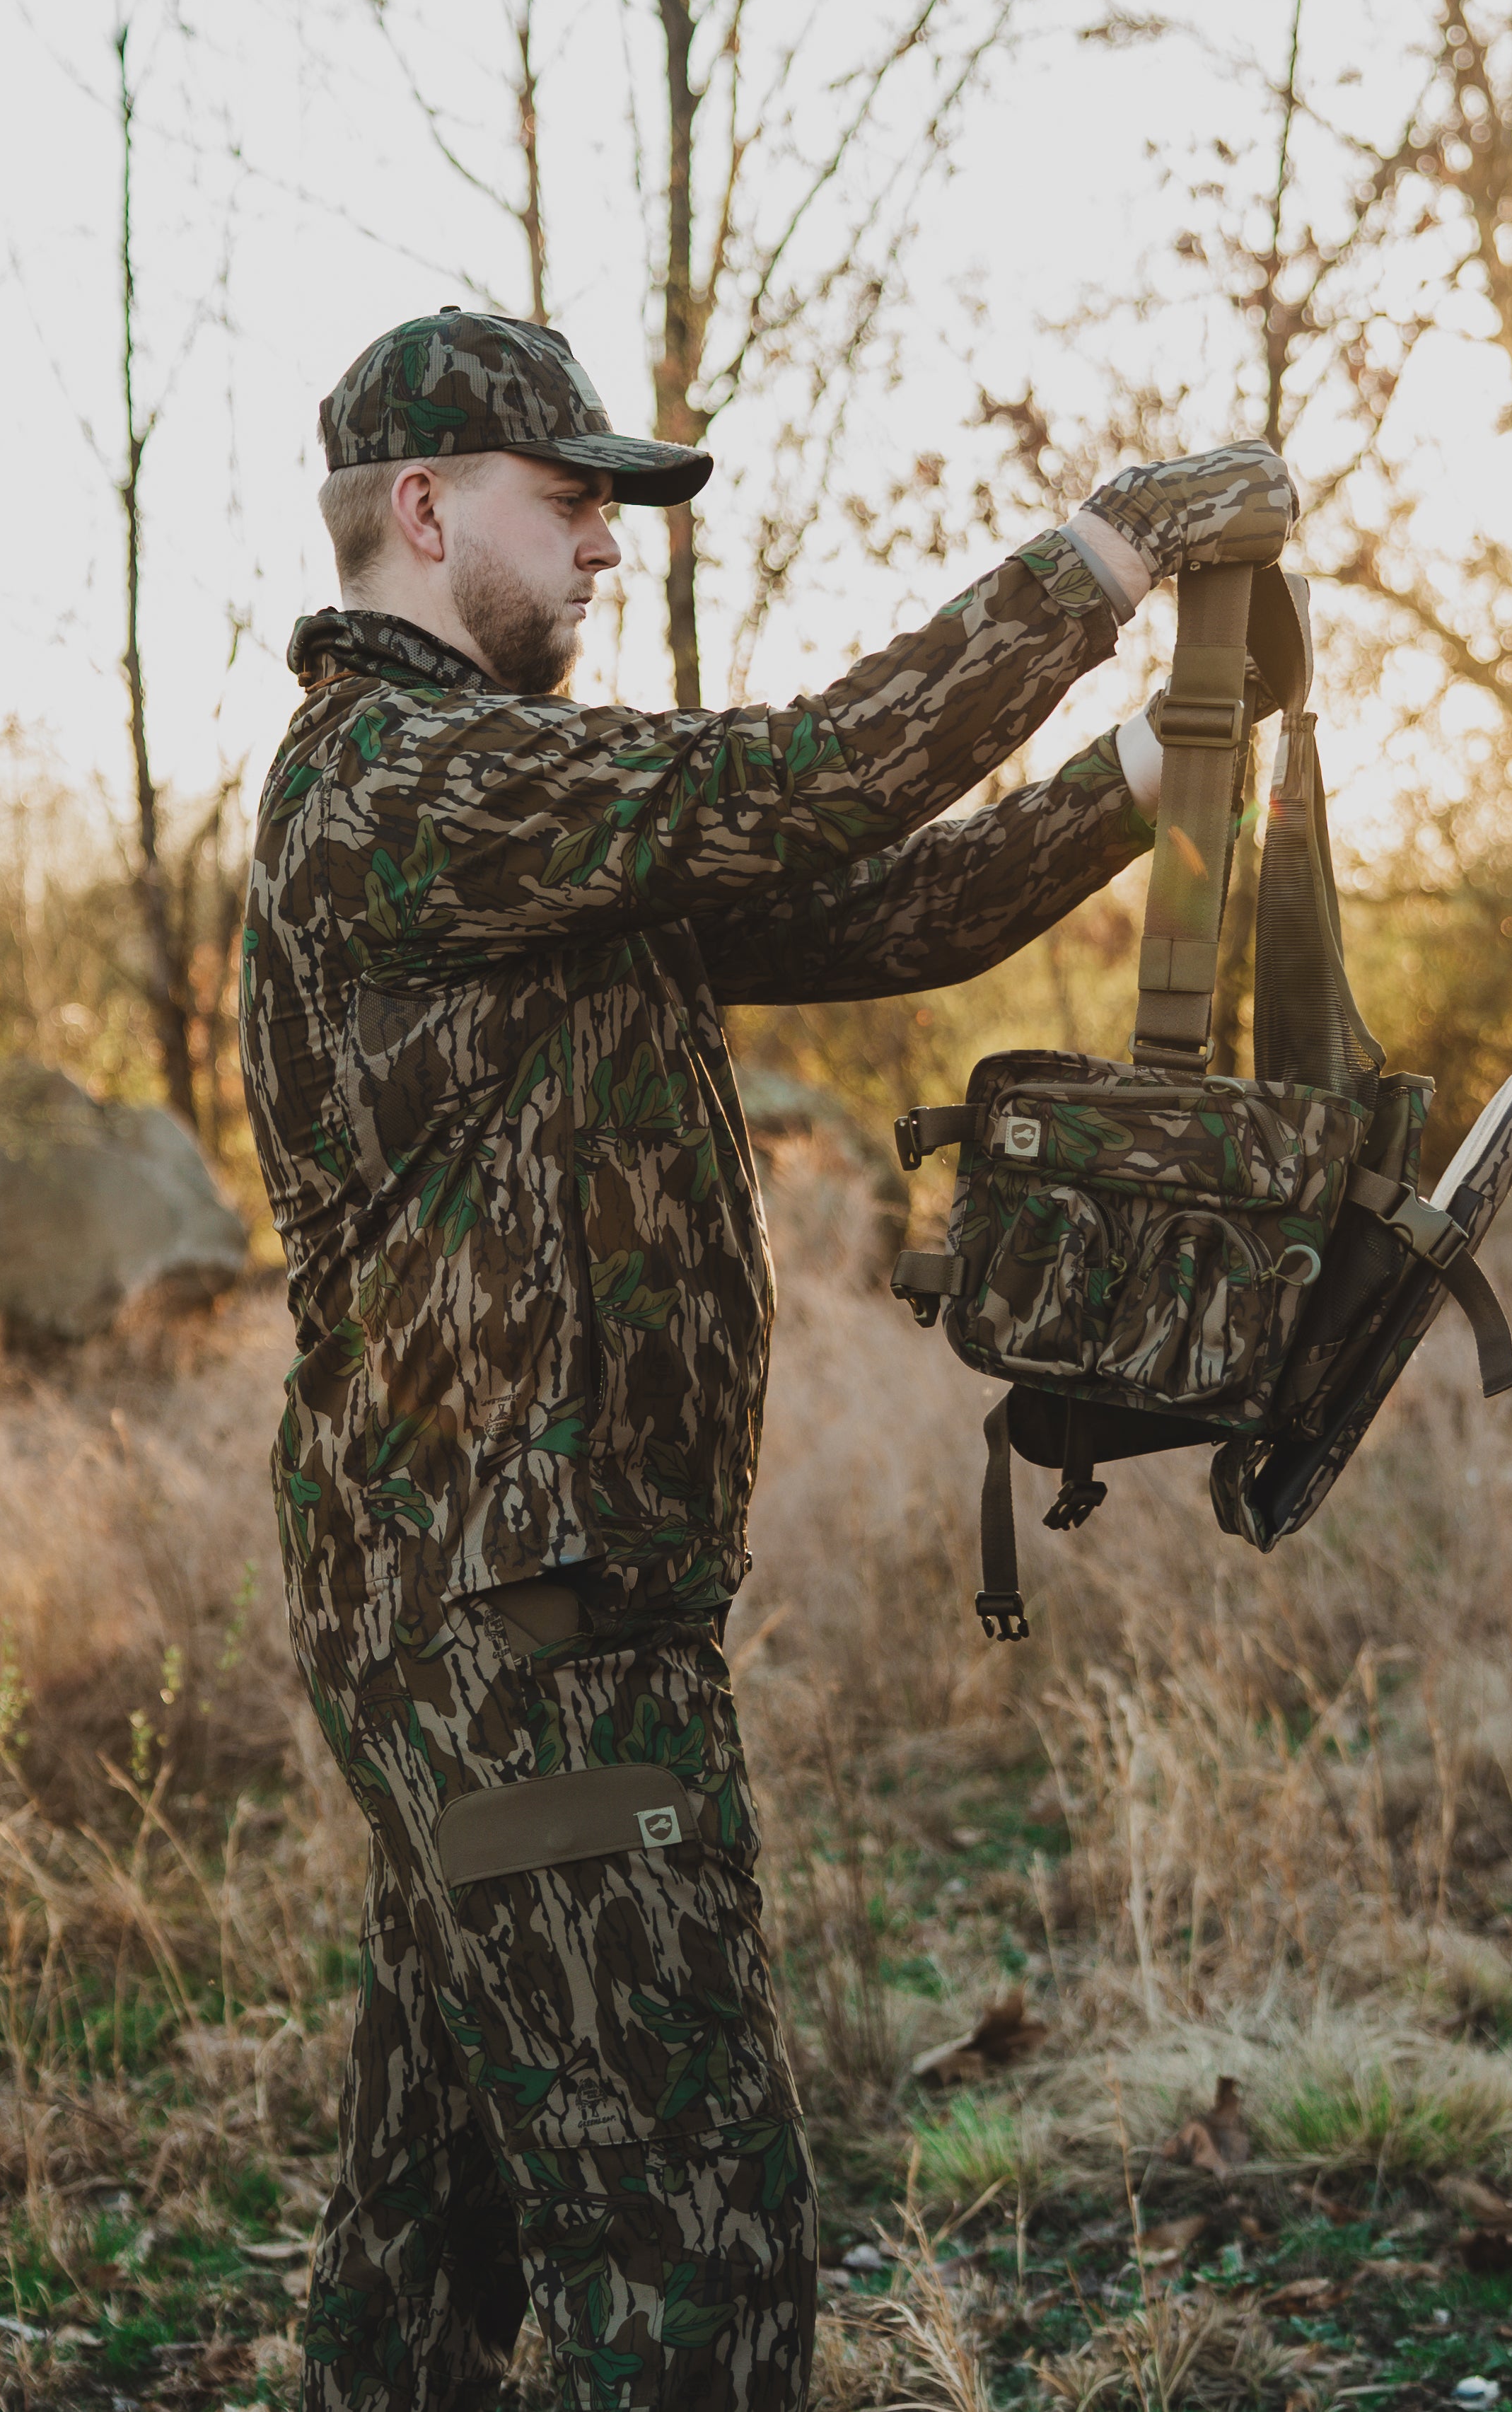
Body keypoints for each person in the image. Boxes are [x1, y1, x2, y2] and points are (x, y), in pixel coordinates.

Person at [239, 303, 1296, 2412]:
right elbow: (810, 774)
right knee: (688, 2247)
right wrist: (1096, 565)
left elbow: (889, 907)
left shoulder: (518, 831)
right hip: (520, 1637)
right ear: (429, 511)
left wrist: (1167, 751)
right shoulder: (407, 786)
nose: (613, 552)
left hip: (493, 1614)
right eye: (577, 507)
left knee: (429, 2222)